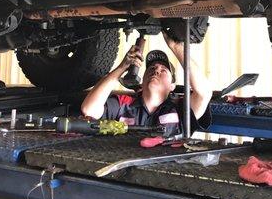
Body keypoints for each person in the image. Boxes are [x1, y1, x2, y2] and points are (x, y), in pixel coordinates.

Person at [81, 32, 212, 137]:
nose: (156, 71)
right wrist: (122, 67)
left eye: (163, 70)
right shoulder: (124, 104)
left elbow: (204, 93)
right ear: (142, 82)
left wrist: (176, 47)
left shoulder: (180, 108)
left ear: (172, 86)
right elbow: (89, 109)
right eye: (151, 69)